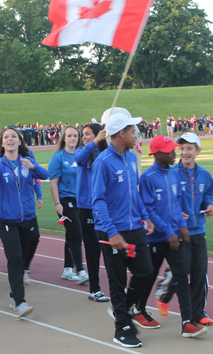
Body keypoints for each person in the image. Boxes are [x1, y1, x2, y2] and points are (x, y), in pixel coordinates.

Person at [92, 112, 154, 348]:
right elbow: (97, 201)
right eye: (132, 131)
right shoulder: (103, 162)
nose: (136, 134)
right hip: (112, 231)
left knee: (146, 271)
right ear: (121, 134)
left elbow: (134, 192)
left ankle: (122, 311)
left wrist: (145, 217)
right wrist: (111, 232)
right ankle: (122, 328)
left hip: (134, 226)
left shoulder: (130, 158)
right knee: (117, 281)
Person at [137, 135, 207, 338]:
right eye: (170, 150)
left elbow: (176, 204)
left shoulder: (174, 174)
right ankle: (139, 309)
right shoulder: (148, 178)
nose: (174, 152)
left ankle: (187, 323)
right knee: (148, 276)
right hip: (155, 238)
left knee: (181, 276)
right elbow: (148, 210)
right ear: (158, 154)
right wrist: (168, 231)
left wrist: (182, 226)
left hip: (174, 236)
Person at [0, 126, 48, 317]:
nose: (10, 140)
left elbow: (45, 175)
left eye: (13, 137)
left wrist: (33, 167)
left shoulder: (28, 161)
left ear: (19, 141)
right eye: (6, 137)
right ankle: (19, 300)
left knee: (27, 249)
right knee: (15, 258)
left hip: (28, 219)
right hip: (7, 220)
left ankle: (14, 292)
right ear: (1, 143)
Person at [155, 132, 213, 326]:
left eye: (189, 148)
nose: (185, 152)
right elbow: (167, 201)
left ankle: (198, 313)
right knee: (181, 270)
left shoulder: (205, 175)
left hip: (199, 231)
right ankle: (163, 294)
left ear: (198, 150)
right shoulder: (172, 174)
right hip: (181, 232)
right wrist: (178, 214)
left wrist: (209, 205)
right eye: (181, 148)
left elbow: (207, 195)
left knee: (200, 272)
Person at [48, 125, 88, 284]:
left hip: (81, 201)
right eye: (69, 136)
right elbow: (53, 183)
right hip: (65, 201)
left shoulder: (81, 155)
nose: (73, 139)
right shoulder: (58, 157)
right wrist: (57, 203)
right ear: (64, 138)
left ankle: (67, 269)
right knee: (77, 232)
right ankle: (81, 269)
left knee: (71, 234)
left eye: (75, 136)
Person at [74, 123, 109, 301]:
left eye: (88, 134)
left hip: (104, 207)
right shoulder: (83, 151)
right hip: (86, 208)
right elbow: (79, 159)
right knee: (92, 249)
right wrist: (93, 142)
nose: (84, 137)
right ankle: (94, 289)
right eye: (84, 134)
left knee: (110, 249)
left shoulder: (105, 154)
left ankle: (116, 287)